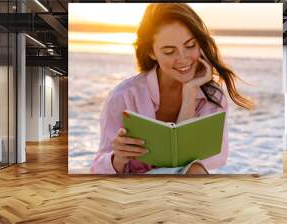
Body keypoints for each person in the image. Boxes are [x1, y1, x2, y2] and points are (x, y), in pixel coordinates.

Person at [91, 3, 253, 174]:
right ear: (151, 53)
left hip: (185, 186)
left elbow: (204, 159)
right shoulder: (123, 96)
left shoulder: (213, 97)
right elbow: (98, 169)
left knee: (194, 170)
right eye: (169, 51)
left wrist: (190, 92)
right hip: (135, 189)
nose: (183, 59)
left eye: (190, 46)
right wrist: (118, 158)